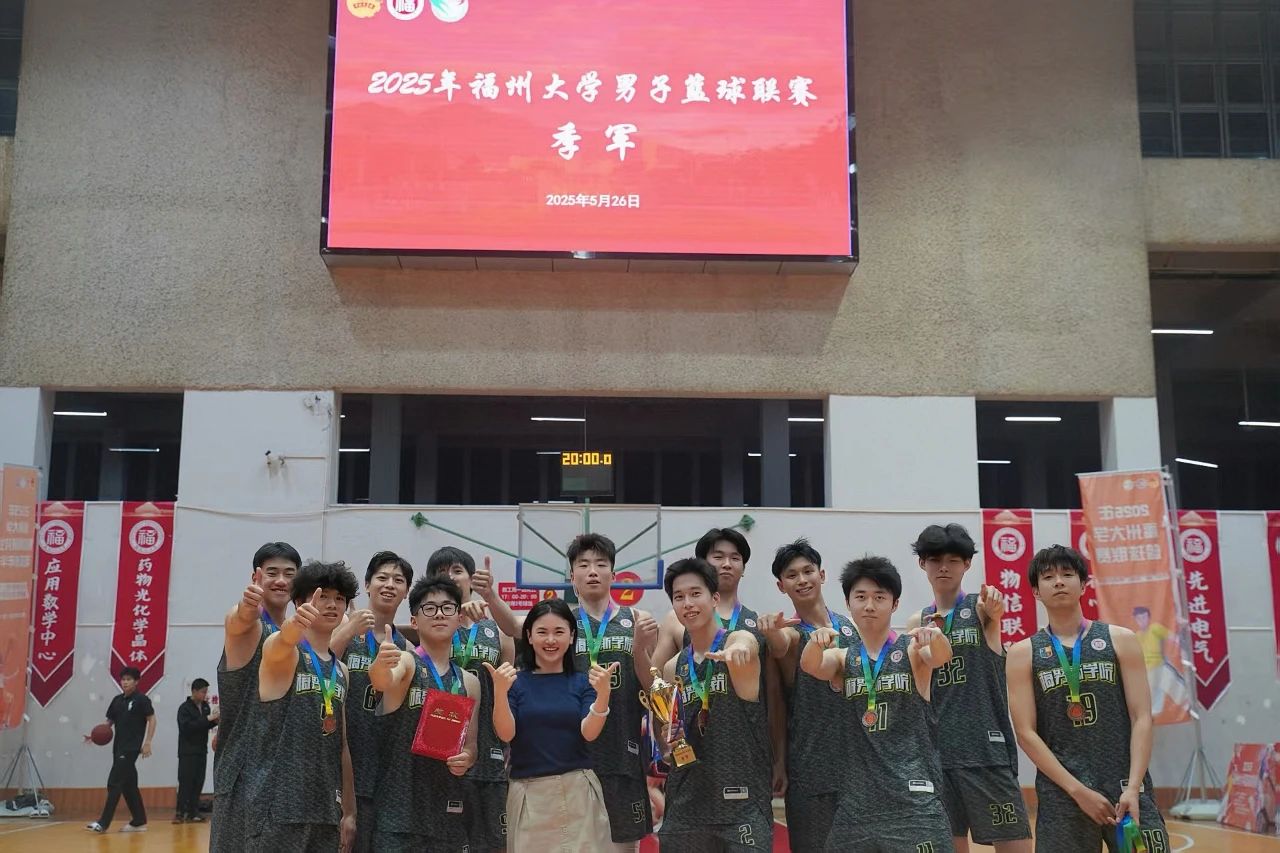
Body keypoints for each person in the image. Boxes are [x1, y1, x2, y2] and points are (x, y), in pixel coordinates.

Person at [1006, 545, 1170, 852]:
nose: (1058, 581)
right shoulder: (1022, 653)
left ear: (1083, 585)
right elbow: (1026, 733)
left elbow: (1141, 717)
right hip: (1063, 795)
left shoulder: (1120, 639)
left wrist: (1134, 787)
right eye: (1048, 577)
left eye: (1067, 574)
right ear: (1036, 592)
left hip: (1125, 791)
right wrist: (1077, 791)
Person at [801, 556, 954, 852]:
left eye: (879, 597)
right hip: (857, 805)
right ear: (848, 604)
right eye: (860, 597)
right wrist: (814, 642)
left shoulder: (912, 649)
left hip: (914, 801)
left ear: (894, 604)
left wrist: (935, 637)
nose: (869, 605)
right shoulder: (843, 657)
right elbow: (812, 666)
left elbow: (940, 656)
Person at [904, 523, 1032, 852]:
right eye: (935, 559)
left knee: (1014, 842)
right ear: (922, 563)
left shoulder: (981, 608)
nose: (943, 567)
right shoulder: (917, 621)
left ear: (967, 564)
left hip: (986, 750)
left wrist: (995, 610)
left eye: (953, 560)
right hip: (937, 754)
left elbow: (993, 611)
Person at [652, 527, 784, 794]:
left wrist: (779, 759)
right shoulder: (676, 620)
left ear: (743, 568)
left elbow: (772, 696)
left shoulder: (755, 623)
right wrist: (665, 743)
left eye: (735, 558)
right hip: (692, 760)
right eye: (718, 556)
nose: (726, 564)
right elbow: (658, 688)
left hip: (741, 756)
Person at [657, 557, 772, 852]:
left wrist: (739, 650)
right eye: (679, 597)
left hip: (741, 803)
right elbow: (669, 737)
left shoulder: (736, 641)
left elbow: (746, 641)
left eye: (696, 594)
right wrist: (669, 743)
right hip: (686, 804)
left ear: (715, 598)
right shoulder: (673, 667)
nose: (688, 603)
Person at [245, 560, 358, 852]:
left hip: (325, 809)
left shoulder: (341, 671)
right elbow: (279, 644)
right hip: (278, 808)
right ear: (299, 602)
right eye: (323, 596)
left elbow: (342, 745)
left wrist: (349, 811)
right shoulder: (284, 652)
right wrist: (293, 627)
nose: (332, 604)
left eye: (339, 598)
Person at [488, 597, 618, 851]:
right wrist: (500, 693)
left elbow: (589, 733)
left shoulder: (583, 682)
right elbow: (505, 733)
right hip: (529, 795)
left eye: (559, 632)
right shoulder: (514, 683)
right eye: (542, 632)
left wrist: (603, 695)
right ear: (529, 636)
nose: (550, 640)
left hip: (578, 792)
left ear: (571, 636)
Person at [758, 539, 859, 852]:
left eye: (808, 571)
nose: (801, 580)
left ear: (822, 575)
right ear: (781, 586)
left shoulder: (852, 627)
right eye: (792, 575)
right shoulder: (790, 633)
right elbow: (780, 646)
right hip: (810, 768)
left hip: (859, 766)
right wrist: (770, 632)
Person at [368, 576, 479, 852]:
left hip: (447, 815)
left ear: (459, 618)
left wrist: (466, 758)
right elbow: (383, 681)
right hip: (399, 815)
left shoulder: (468, 681)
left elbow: (471, 745)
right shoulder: (408, 662)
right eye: (429, 608)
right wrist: (380, 665)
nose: (439, 614)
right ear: (414, 621)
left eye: (447, 607)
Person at [567, 533, 659, 852]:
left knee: (623, 846)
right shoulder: (561, 624)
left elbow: (655, 689)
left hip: (624, 752)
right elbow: (515, 627)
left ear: (614, 574)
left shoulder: (639, 620)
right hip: (572, 756)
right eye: (583, 565)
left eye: (601, 564)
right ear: (572, 576)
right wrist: (490, 598)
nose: (593, 571)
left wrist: (640, 649)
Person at [211, 541, 300, 852]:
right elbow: (237, 622)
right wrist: (246, 608)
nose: (281, 580)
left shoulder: (294, 635)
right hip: (244, 772)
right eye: (272, 573)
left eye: (290, 574)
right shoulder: (252, 625)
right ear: (256, 578)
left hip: (284, 773)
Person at [430, 546, 515, 853]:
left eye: (457, 571)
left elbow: (508, 690)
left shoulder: (498, 632)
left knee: (493, 844)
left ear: (470, 579)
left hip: (490, 750)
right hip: (440, 751)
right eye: (441, 573)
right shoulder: (431, 631)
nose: (450, 577)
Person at [329, 550, 413, 853]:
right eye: (382, 578)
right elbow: (320, 663)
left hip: (383, 772)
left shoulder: (408, 649)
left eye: (398, 580)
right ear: (367, 585)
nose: (389, 584)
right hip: (340, 763)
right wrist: (349, 628)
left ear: (406, 592)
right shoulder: (343, 630)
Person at [85, 666, 156, 833]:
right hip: (118, 747)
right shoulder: (117, 700)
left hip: (131, 748)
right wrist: (95, 736)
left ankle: (103, 823)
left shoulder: (142, 700)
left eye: (129, 679)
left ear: (136, 682)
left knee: (114, 782)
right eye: (123, 679)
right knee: (128, 785)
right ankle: (139, 821)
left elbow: (152, 719)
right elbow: (109, 722)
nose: (125, 682)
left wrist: (148, 742)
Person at [175, 677, 219, 823]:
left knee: (198, 781)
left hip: (201, 750)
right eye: (202, 692)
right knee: (185, 781)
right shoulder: (184, 708)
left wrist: (215, 721)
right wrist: (207, 719)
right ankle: (180, 813)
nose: (205, 695)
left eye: (206, 692)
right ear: (194, 691)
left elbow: (204, 726)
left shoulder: (205, 706)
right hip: (187, 751)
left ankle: (193, 812)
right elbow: (187, 727)